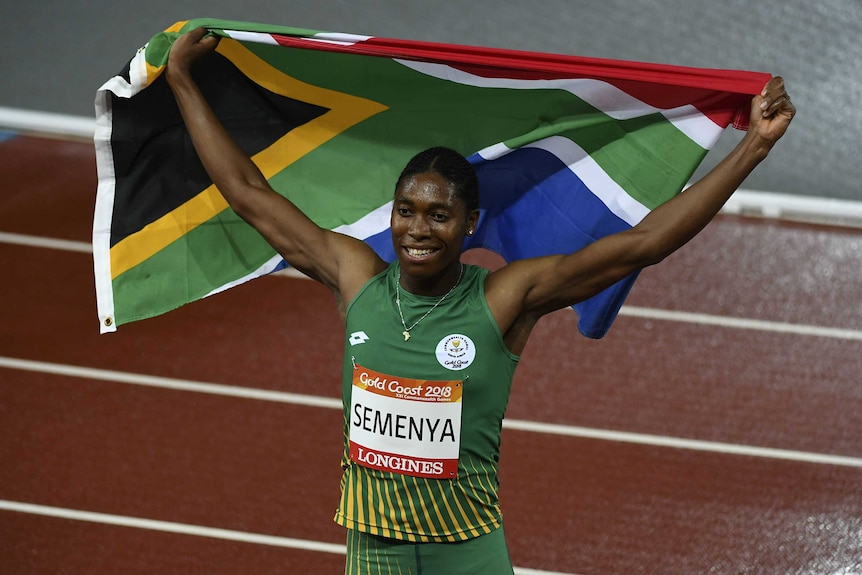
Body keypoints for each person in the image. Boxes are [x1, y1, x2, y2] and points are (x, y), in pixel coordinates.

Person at [166, 27, 795, 574]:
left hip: (465, 557)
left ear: (470, 225)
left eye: (439, 216)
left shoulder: (504, 298)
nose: (418, 229)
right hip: (372, 556)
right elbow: (248, 192)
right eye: (406, 211)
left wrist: (754, 146)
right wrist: (184, 83)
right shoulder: (354, 276)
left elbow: (643, 245)